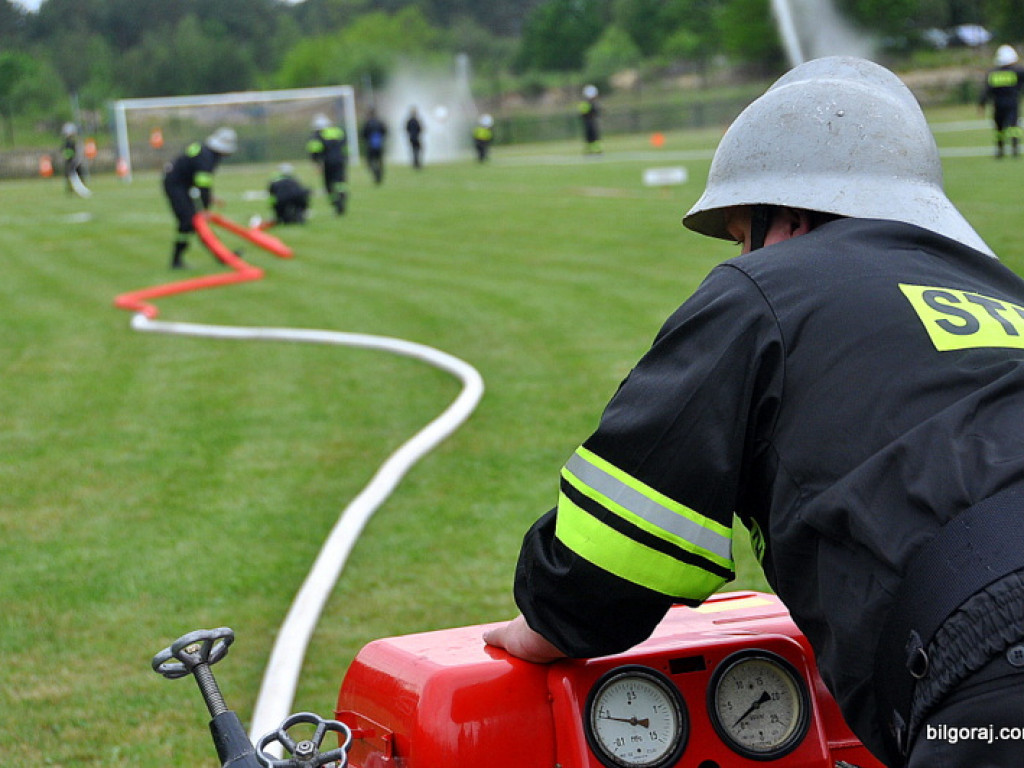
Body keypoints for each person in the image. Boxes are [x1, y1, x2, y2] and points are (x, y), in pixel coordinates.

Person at [485, 56, 1024, 768]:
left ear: (791, 218)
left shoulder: (767, 289)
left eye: (744, 233)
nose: (744, 254)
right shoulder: (1004, 294)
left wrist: (547, 619)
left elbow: (622, 541)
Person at [162, 127, 237, 269]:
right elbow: (203, 185)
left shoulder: (205, 151)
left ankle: (221, 256)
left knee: (193, 222)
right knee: (189, 221)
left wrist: (209, 198)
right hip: (176, 185)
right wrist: (206, 208)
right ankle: (177, 261)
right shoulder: (207, 158)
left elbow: (199, 180)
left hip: (182, 184)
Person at [979, 44, 1024, 158]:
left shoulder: (993, 73)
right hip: (1012, 103)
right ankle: (1015, 149)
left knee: (999, 127)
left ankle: (1000, 150)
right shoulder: (1018, 72)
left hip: (998, 104)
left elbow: (987, 90)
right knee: (1013, 126)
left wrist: (981, 104)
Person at [306, 113, 348, 214]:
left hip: (327, 162)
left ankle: (335, 202)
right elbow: (345, 147)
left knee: (328, 184)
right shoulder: (338, 132)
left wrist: (316, 163)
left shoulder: (317, 135)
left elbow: (314, 150)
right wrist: (345, 158)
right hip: (340, 160)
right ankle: (342, 197)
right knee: (340, 182)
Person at [361, 108, 388, 185]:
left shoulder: (367, 123)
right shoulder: (380, 122)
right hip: (379, 144)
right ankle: (379, 173)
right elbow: (385, 131)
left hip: (370, 145)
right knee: (379, 160)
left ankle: (376, 172)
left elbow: (363, 134)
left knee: (370, 161)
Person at [60, 122, 84, 195]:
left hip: (73, 160)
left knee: (77, 174)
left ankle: (78, 187)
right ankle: (71, 189)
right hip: (70, 161)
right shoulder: (67, 143)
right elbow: (66, 152)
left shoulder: (72, 143)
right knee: (69, 175)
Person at [578, 83, 602, 155]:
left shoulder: (590, 103)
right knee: (591, 136)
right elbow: (583, 113)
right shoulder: (586, 103)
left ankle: (595, 150)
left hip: (590, 121)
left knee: (594, 136)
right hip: (588, 122)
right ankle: (592, 150)